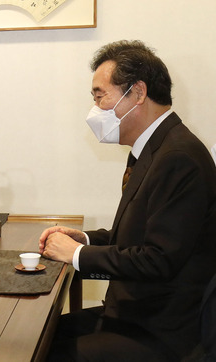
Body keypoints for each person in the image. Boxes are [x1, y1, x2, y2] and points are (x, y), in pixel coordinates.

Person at [39, 40, 216, 361]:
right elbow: (140, 238)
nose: (95, 110)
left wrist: (78, 255)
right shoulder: (152, 149)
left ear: (137, 93)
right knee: (34, 337)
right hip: (132, 313)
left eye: (100, 96)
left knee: (41, 352)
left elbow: (157, 259)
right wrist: (86, 239)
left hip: (162, 330)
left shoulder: (179, 157)